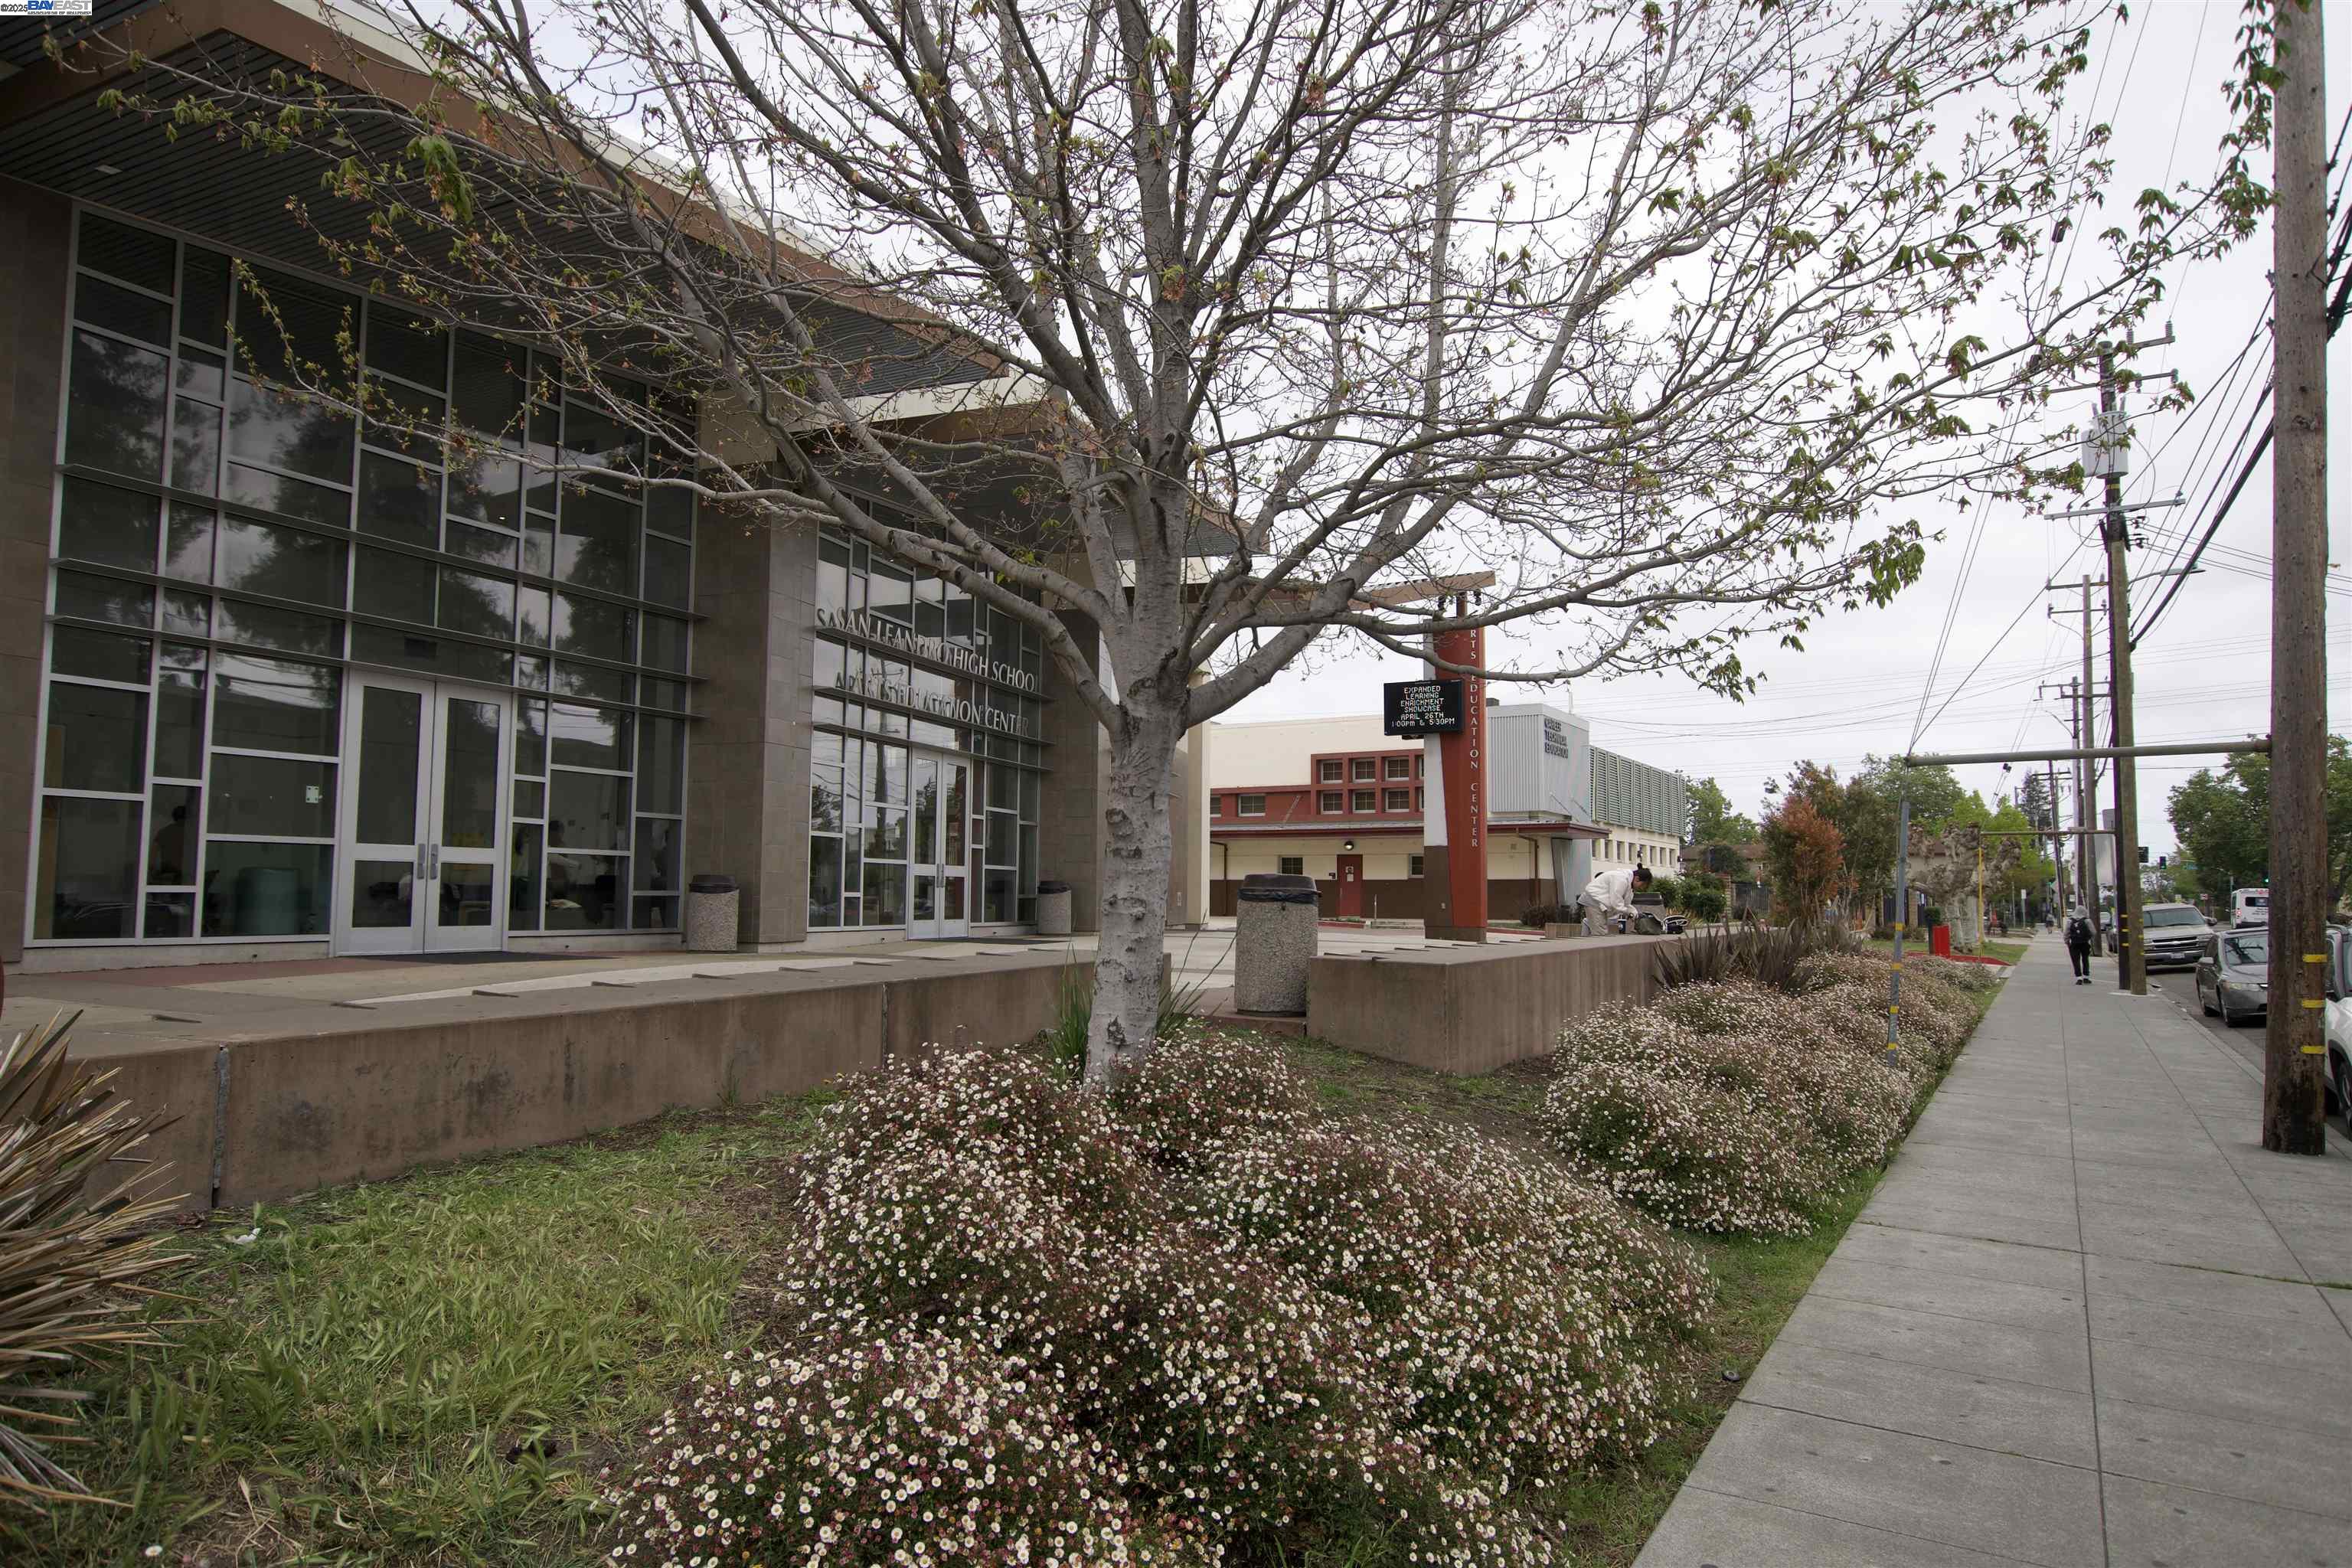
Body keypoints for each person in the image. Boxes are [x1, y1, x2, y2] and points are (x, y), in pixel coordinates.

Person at [1580, 862, 1653, 936]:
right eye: (1643, 885)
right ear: (1637, 879)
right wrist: (1630, 913)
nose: (1642, 888)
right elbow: (1616, 902)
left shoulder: (1629, 885)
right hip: (1594, 901)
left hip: (1597, 902)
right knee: (1600, 934)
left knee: (1599, 931)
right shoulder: (1621, 879)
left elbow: (1625, 904)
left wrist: (1634, 912)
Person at [2064, 904, 2095, 985]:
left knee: (2075, 960)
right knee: (2085, 959)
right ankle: (2086, 977)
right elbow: (2093, 932)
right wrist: (2089, 938)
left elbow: (2066, 932)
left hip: (2074, 943)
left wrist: (2067, 941)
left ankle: (2079, 978)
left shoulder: (2070, 921)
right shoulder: (2087, 920)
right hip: (2085, 943)